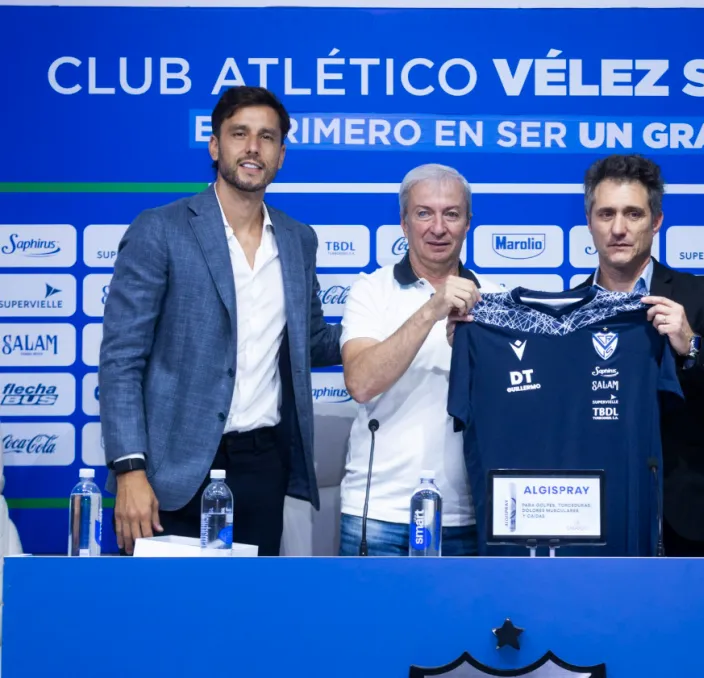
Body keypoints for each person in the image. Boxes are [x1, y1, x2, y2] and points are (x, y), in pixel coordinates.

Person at [100, 86, 342, 557]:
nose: (253, 147)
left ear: (281, 155)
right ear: (215, 146)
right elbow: (121, 361)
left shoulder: (297, 240)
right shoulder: (161, 229)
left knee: (248, 621)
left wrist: (412, 317)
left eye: (267, 137)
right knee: (162, 618)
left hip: (261, 468)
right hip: (169, 473)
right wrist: (130, 469)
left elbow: (312, 342)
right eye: (240, 134)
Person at [572, 154, 704, 557]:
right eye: (606, 214)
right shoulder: (566, 311)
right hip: (586, 514)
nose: (619, 229)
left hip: (685, 519)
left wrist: (693, 344)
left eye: (633, 214)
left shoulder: (701, 296)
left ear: (656, 221)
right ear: (589, 220)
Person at [338, 163, 497, 556]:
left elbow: (512, 407)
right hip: (378, 515)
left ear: (468, 223)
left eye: (452, 214)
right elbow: (360, 382)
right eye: (424, 213)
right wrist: (432, 309)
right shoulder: (370, 291)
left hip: (469, 513)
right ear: (404, 224)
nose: (438, 228)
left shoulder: (495, 298)